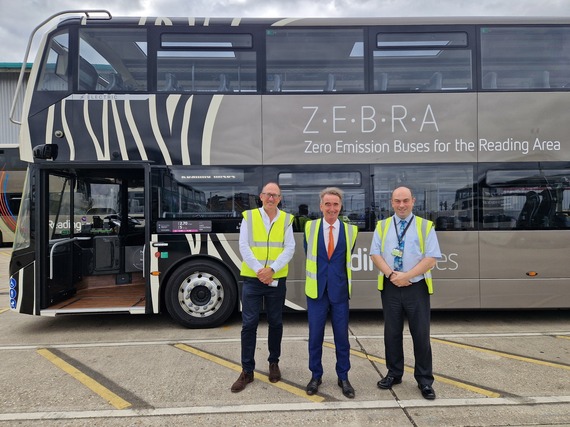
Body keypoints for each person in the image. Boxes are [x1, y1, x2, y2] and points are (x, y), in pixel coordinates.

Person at [369, 186, 442, 400]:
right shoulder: (382, 226)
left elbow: (431, 258)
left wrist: (407, 275)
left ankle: (424, 381)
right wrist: (393, 275)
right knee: (391, 334)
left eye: (405, 201)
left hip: (416, 287)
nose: (402, 205)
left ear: (413, 201)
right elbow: (375, 254)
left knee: (420, 335)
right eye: (397, 201)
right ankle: (394, 373)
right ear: (391, 203)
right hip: (391, 286)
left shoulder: (425, 226)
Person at [231, 182, 295, 393]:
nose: (271, 198)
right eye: (268, 194)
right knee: (249, 324)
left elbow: (290, 248)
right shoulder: (249, 216)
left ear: (279, 198)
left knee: (276, 322)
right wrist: (261, 270)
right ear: (261, 196)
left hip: (276, 280)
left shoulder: (286, 219)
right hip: (253, 279)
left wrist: (272, 270)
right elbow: (243, 246)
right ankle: (247, 371)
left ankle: (273, 363)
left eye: (275, 195)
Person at [303, 187, 359, 398]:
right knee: (315, 336)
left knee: (341, 338)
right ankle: (315, 375)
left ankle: (343, 376)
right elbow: (307, 251)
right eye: (327, 204)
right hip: (316, 291)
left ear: (340, 206)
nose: (331, 208)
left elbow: (344, 258)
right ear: (321, 206)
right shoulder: (310, 227)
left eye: (335, 204)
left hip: (340, 292)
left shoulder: (350, 231)